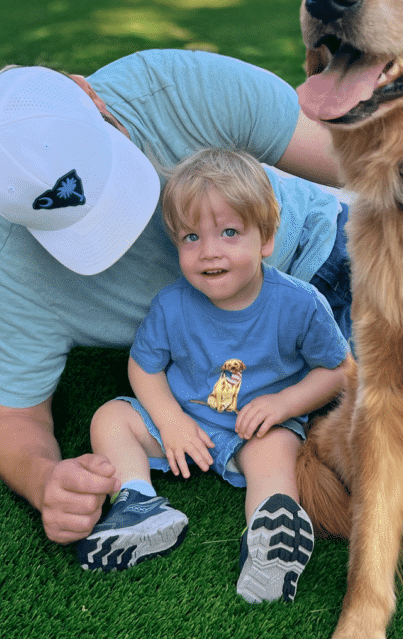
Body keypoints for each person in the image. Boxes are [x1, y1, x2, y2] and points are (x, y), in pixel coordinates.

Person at [0, 52, 352, 547]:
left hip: (320, 257)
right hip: (222, 379)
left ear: (89, 94)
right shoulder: (11, 268)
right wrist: (44, 481)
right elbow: (14, 416)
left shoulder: (171, 87)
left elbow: (359, 162)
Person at [76, 149, 352, 602]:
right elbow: (144, 367)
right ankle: (138, 504)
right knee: (110, 418)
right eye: (190, 237)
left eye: (229, 232)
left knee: (277, 453)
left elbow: (340, 371)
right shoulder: (171, 304)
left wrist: (284, 405)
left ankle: (270, 537)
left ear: (266, 237)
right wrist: (169, 420)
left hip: (256, 428)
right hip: (187, 423)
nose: (209, 252)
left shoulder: (299, 305)